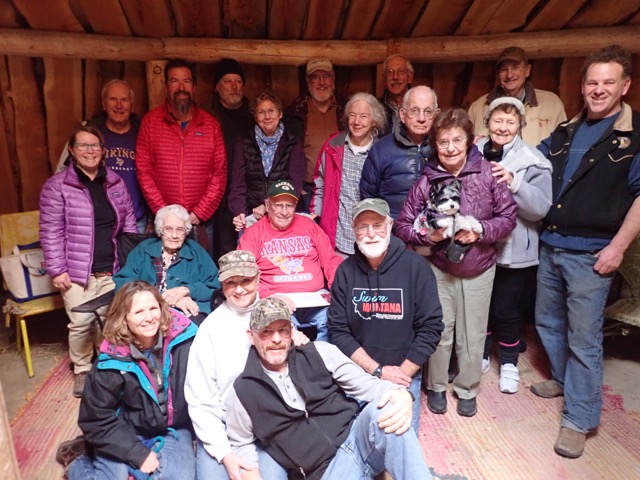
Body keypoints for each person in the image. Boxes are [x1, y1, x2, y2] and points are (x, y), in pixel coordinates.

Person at [532, 45, 640, 459]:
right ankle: (562, 379)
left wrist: (618, 247)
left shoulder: (633, 136)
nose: (598, 89)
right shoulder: (565, 132)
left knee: (584, 338)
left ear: (624, 85)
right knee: (547, 321)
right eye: (592, 82)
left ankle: (579, 418)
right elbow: (530, 160)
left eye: (608, 82)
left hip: (593, 254)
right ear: (583, 86)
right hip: (551, 245)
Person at [225, 297, 433, 480]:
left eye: (282, 330)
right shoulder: (243, 391)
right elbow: (241, 443)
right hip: (326, 472)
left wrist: (400, 393)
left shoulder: (320, 352)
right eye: (266, 333)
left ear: (292, 331)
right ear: (251, 336)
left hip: (358, 439)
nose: (277, 339)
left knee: (389, 407)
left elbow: (366, 384)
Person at [396, 108, 517, 417]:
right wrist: (431, 238)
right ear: (435, 144)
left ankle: (467, 388)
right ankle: (435, 386)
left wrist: (479, 232)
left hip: (479, 266)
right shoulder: (427, 179)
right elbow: (403, 226)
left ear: (469, 140)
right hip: (440, 267)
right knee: (439, 329)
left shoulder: (488, 173)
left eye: (457, 140)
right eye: (443, 141)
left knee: (472, 333)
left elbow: (508, 218)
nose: (450, 148)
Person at [186, 250, 309, 480]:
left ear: (258, 277)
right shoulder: (211, 329)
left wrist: (300, 342)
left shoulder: (275, 317)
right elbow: (200, 401)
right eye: (231, 283)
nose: (240, 289)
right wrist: (224, 454)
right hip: (223, 428)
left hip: (270, 426)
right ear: (222, 285)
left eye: (246, 280)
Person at [54, 281, 197, 479]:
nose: (149, 318)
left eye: (153, 308)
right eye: (138, 312)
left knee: (178, 476)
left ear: (162, 309)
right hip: (126, 428)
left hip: (172, 426)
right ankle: (78, 461)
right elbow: (95, 418)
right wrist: (136, 453)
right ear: (124, 318)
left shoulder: (185, 341)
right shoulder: (111, 360)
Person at [327, 198, 444, 432]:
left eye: (377, 224)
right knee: (346, 438)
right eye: (362, 226)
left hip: (403, 373)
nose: (370, 233)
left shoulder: (415, 267)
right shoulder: (345, 271)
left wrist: (400, 374)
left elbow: (431, 328)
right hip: (359, 373)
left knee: (396, 439)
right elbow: (338, 331)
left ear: (389, 225)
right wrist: (377, 371)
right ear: (354, 230)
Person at [40, 125, 137, 398]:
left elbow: (128, 222)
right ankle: (82, 369)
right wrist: (57, 270)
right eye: (83, 145)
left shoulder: (115, 182)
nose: (90, 151)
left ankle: (104, 366)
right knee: (82, 322)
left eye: (95, 145)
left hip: (111, 268)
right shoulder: (57, 186)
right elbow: (50, 231)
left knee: (109, 320)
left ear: (102, 150)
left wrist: (128, 264)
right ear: (71, 151)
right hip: (76, 271)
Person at [476, 98, 552, 393]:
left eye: (510, 122)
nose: (503, 128)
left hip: (514, 249)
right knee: (480, 306)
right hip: (479, 247)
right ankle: (480, 353)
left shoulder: (533, 160)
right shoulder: (472, 153)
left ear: (520, 125)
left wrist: (514, 183)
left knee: (507, 309)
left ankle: (508, 362)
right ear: (488, 123)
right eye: (497, 121)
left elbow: (541, 208)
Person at [136, 58, 227, 256]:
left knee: (202, 274)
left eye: (186, 81)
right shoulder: (150, 123)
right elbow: (144, 172)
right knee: (165, 275)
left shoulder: (210, 125)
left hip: (201, 222)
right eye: (174, 81)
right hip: (165, 222)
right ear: (165, 85)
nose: (181, 87)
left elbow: (219, 175)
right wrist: (166, 214)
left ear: (194, 86)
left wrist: (198, 213)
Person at [237, 180, 343, 341]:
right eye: (278, 205)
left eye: (289, 206)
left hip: (315, 298)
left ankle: (321, 363)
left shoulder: (309, 225)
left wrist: (337, 288)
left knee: (336, 321)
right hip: (275, 300)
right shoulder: (254, 233)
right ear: (267, 204)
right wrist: (269, 296)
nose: (284, 212)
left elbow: (330, 260)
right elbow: (243, 274)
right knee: (281, 328)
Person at [56, 79, 150, 233]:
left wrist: (152, 217)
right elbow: (63, 173)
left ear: (132, 106)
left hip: (136, 221)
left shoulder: (144, 134)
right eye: (113, 99)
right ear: (104, 104)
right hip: (98, 222)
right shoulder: (88, 134)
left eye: (124, 100)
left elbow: (156, 175)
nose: (119, 105)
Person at [114, 204, 220, 325]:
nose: (174, 235)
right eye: (168, 229)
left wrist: (187, 290)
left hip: (189, 314)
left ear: (186, 233)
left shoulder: (196, 251)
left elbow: (216, 286)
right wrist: (164, 299)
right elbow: (123, 286)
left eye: (180, 229)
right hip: (149, 313)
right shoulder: (143, 250)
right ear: (160, 231)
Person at [311, 93, 387, 255]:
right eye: (352, 115)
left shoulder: (382, 152)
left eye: (363, 116)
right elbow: (320, 184)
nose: (357, 122)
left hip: (371, 237)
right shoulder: (332, 147)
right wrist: (315, 213)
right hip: (337, 237)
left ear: (375, 121)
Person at [229, 92, 306, 231]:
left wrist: (267, 206)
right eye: (261, 112)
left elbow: (295, 183)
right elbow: (238, 183)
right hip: (251, 213)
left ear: (280, 114)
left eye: (271, 111)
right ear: (255, 117)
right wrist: (239, 213)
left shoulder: (292, 142)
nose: (267, 116)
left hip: (283, 213)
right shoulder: (244, 141)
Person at [360, 85, 438, 220]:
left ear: (436, 115)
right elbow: (369, 198)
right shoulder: (381, 149)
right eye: (414, 111)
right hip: (395, 234)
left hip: (434, 234)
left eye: (427, 112)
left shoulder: (445, 148)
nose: (421, 118)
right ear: (402, 114)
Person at [468, 46, 566, 146]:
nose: (509, 75)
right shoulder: (477, 108)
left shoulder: (552, 104)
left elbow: (563, 147)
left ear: (527, 70)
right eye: (504, 69)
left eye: (515, 67)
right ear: (498, 74)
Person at [285, 58, 345, 212]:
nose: (322, 82)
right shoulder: (295, 112)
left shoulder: (346, 109)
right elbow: (286, 153)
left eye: (326, 76)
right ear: (307, 81)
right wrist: (297, 187)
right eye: (316, 77)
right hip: (308, 190)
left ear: (333, 79)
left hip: (341, 187)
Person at [211, 58, 254, 260]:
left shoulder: (255, 115)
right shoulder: (209, 116)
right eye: (228, 81)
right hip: (217, 195)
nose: (234, 86)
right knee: (223, 249)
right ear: (217, 86)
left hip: (249, 194)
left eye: (238, 81)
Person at [378, 54, 414, 136]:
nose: (395, 77)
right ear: (384, 79)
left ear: (410, 77)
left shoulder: (421, 107)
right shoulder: (375, 107)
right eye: (390, 72)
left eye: (401, 71)